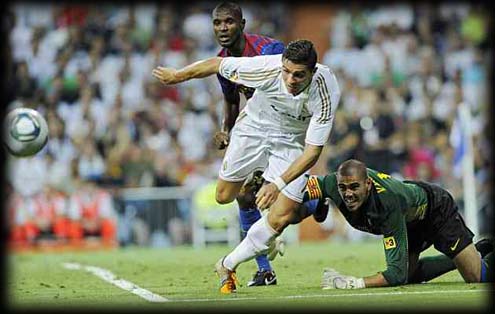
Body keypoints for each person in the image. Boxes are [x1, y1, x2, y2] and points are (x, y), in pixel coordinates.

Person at [152, 39, 341, 293]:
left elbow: (312, 152)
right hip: (254, 130)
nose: (290, 80)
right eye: (286, 71)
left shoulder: (326, 89)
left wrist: (279, 183)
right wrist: (177, 75)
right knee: (224, 196)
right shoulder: (266, 68)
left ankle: (227, 264)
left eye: (299, 75)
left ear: (313, 71)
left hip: (290, 142)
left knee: (283, 215)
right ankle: (288, 198)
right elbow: (217, 64)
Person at [302, 159, 493, 289]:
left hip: (435, 209)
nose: (348, 194)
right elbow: (299, 191)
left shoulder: (387, 204)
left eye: (354, 187)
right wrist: (315, 204)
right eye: (342, 188)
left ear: (368, 184)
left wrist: (354, 282)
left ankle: (474, 258)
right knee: (410, 275)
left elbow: (395, 274)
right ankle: (468, 254)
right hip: (409, 219)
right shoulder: (331, 183)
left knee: (475, 277)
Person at [210, 1, 286, 287]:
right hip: (258, 129)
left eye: (229, 22)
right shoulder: (222, 62)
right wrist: (225, 130)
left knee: (282, 197)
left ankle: (316, 198)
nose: (223, 28)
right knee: (243, 194)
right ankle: (265, 269)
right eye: (217, 23)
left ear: (242, 24)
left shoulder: (270, 50)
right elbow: (231, 100)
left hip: (285, 128)